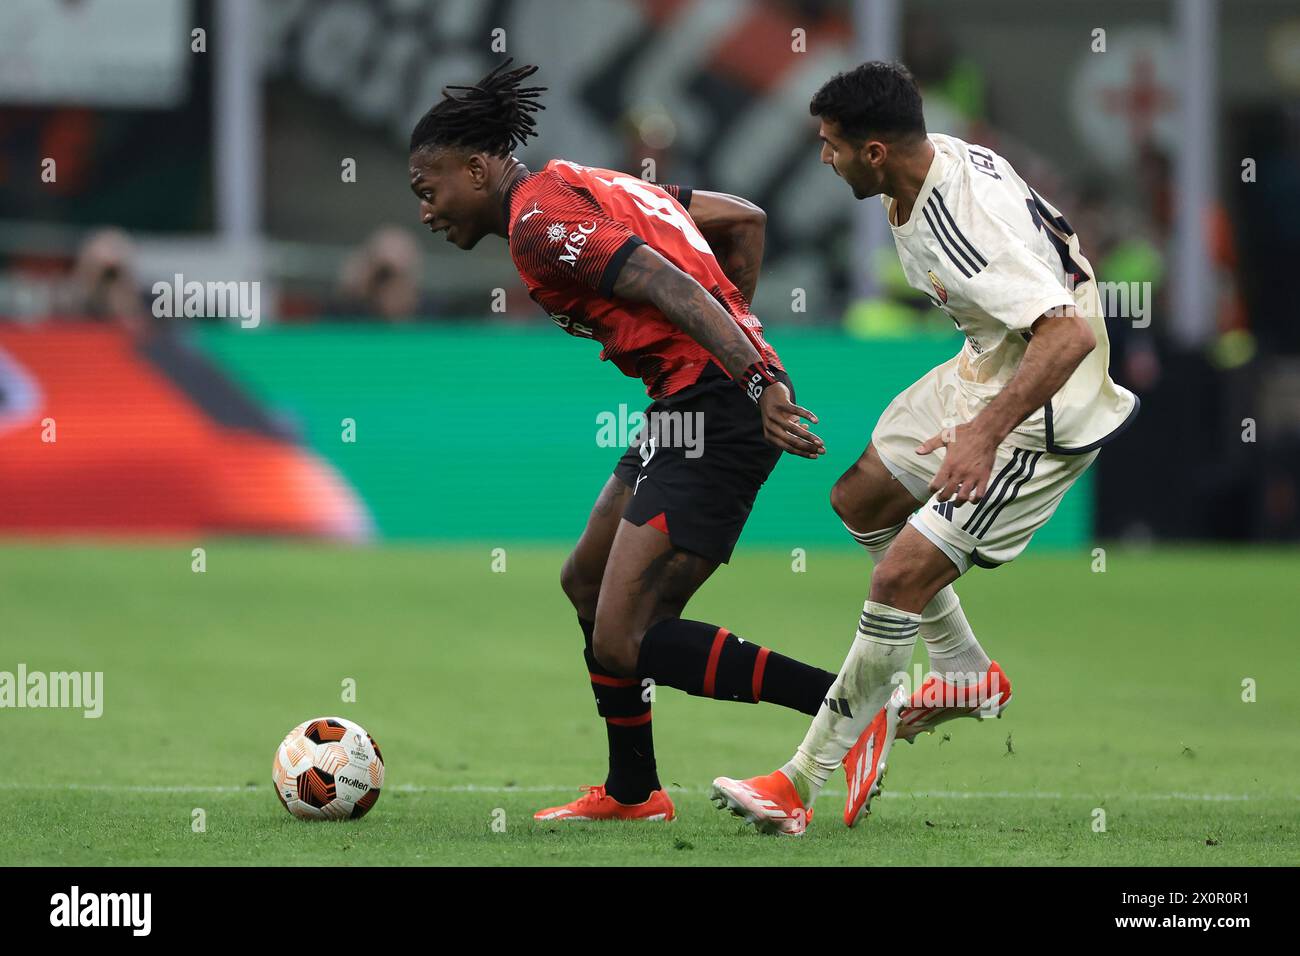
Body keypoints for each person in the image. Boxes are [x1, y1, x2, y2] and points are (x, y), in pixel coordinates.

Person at [711, 61, 1138, 835]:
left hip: (1047, 408)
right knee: (862, 497)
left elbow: (1067, 332)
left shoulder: (959, 216)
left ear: (874, 152)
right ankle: (965, 671)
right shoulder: (927, 165)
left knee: (903, 573)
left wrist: (984, 430)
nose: (823, 157)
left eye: (831, 144)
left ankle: (798, 781)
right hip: (990, 360)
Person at [407, 60, 838, 823]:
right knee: (585, 581)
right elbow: (743, 219)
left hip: (720, 404)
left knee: (627, 637)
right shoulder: (576, 183)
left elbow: (668, 286)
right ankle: (634, 791)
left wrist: (753, 375)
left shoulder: (541, 225)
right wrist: (739, 323)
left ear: (476, 169)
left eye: (427, 188)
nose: (425, 210)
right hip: (685, 402)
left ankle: (849, 704)